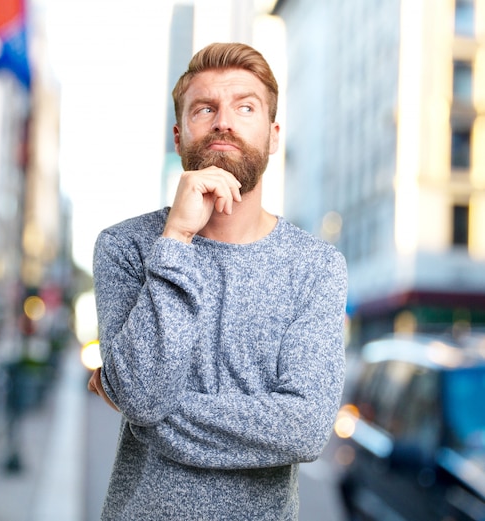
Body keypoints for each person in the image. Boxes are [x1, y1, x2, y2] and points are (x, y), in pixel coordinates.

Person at [87, 42, 348, 521]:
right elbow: (143, 395)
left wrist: (146, 412)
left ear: (272, 136)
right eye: (205, 108)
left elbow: (306, 429)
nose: (224, 121)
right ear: (179, 135)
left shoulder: (316, 267)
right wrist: (177, 237)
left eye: (244, 107)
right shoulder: (125, 247)